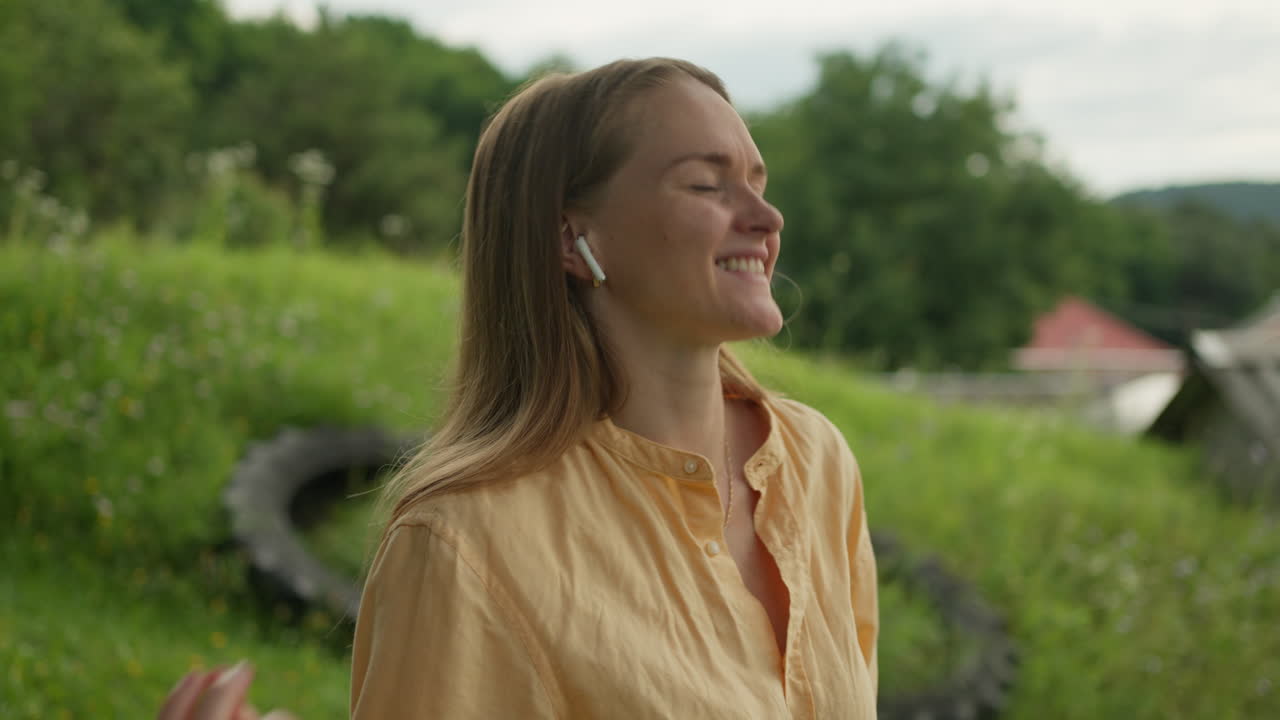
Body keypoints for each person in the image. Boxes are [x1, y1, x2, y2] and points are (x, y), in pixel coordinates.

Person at [159, 57, 878, 720]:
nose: (765, 218)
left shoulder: (816, 462)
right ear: (572, 239)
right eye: (704, 183)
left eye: (757, 181)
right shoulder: (463, 542)